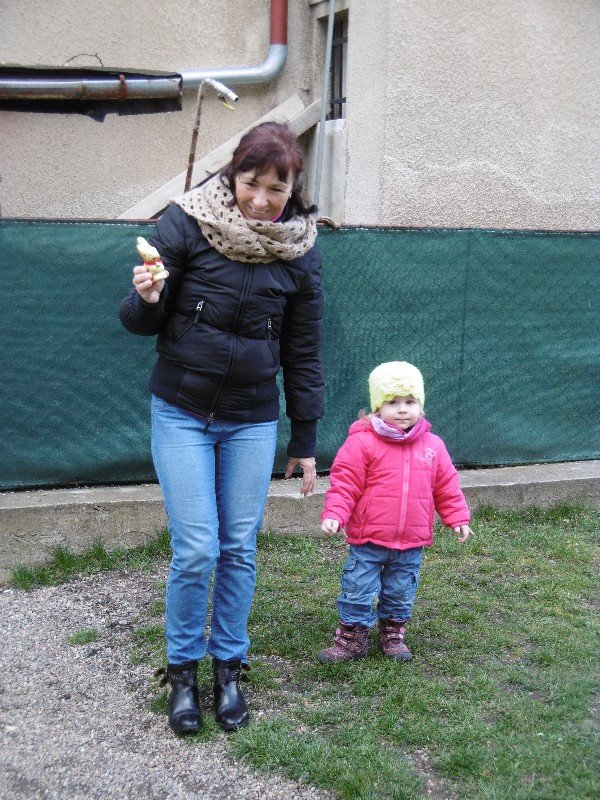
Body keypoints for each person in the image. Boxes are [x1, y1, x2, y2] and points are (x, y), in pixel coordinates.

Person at [119, 122, 324, 734]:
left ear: (293, 189)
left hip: (251, 420)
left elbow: (304, 351)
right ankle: (183, 671)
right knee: (197, 548)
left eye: (276, 189)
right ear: (233, 175)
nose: (260, 200)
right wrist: (147, 297)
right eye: (251, 183)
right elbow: (140, 323)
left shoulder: (300, 249)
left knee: (238, 547)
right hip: (181, 410)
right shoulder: (186, 223)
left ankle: (228, 669)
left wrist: (305, 439)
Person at [318, 361, 472, 664]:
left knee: (400, 592)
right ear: (378, 407)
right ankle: (352, 638)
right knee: (357, 589)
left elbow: (446, 486)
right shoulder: (362, 442)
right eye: (393, 402)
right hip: (369, 538)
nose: (402, 409)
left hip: (411, 541)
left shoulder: (433, 446)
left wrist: (457, 518)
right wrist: (335, 513)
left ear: (421, 406)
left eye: (410, 402)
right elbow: (345, 483)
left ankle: (392, 634)